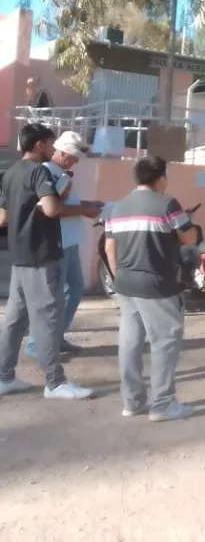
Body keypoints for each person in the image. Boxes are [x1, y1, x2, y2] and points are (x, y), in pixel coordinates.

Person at [0, 124, 94, 400]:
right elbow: (52, 209)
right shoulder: (39, 171)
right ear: (39, 144)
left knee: (15, 320)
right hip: (41, 255)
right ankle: (55, 382)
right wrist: (49, 204)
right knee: (48, 318)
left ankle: (4, 376)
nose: (53, 149)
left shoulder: (11, 173)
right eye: (50, 144)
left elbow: (2, 218)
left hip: (19, 255)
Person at [104, 156, 196, 420]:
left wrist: (117, 276)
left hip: (125, 284)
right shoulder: (167, 203)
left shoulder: (116, 208)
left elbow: (110, 248)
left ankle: (132, 402)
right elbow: (189, 239)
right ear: (161, 179)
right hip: (157, 284)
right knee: (165, 341)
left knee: (130, 342)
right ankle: (162, 404)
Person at [25, 132, 103, 358]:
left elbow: (68, 204)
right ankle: (37, 344)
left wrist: (89, 205)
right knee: (54, 297)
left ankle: (55, 337)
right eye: (72, 156)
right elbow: (50, 210)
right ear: (60, 153)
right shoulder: (47, 172)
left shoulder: (63, 173)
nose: (75, 161)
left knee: (74, 290)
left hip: (70, 241)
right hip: (58, 242)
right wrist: (83, 209)